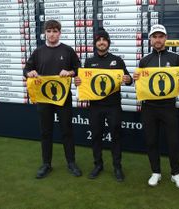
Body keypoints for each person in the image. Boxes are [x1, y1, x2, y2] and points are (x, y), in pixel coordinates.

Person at [23, 20, 82, 179]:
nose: (52, 34)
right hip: (44, 99)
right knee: (46, 132)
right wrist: (30, 73)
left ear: (60, 33)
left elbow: (78, 70)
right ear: (45, 33)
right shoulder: (38, 51)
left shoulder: (68, 50)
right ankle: (46, 164)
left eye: (55, 31)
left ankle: (71, 162)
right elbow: (26, 69)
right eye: (49, 31)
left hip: (63, 99)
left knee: (67, 131)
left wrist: (69, 72)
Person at [75, 28, 132, 182]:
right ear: (95, 44)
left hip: (113, 106)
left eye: (104, 40)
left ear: (108, 42)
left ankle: (117, 167)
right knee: (96, 136)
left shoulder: (117, 60)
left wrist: (128, 79)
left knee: (116, 136)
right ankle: (98, 165)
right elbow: (83, 83)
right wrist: (78, 82)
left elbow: (129, 79)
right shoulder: (89, 61)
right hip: (95, 106)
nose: (101, 43)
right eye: (98, 40)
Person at [133, 24, 179, 189]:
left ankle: (176, 173)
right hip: (149, 107)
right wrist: (136, 78)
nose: (158, 39)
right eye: (154, 36)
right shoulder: (144, 60)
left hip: (168, 106)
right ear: (150, 40)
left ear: (166, 38)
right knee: (151, 140)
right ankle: (155, 171)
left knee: (173, 141)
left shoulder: (175, 58)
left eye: (160, 36)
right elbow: (139, 85)